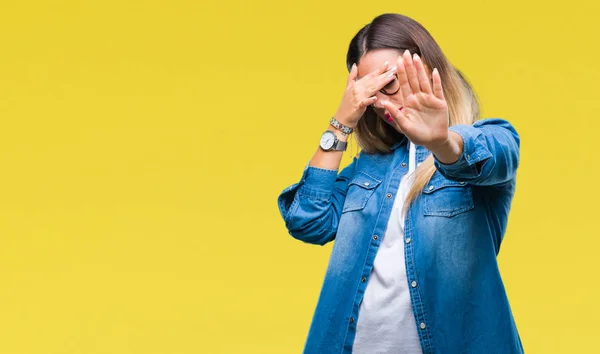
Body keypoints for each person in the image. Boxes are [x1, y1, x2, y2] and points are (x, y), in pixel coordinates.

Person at [276, 13, 523, 354]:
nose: (383, 103)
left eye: (390, 83)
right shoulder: (368, 169)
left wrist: (440, 142)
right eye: (371, 94)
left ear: (427, 67)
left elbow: (494, 158)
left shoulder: (486, 139)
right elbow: (307, 220)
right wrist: (341, 122)